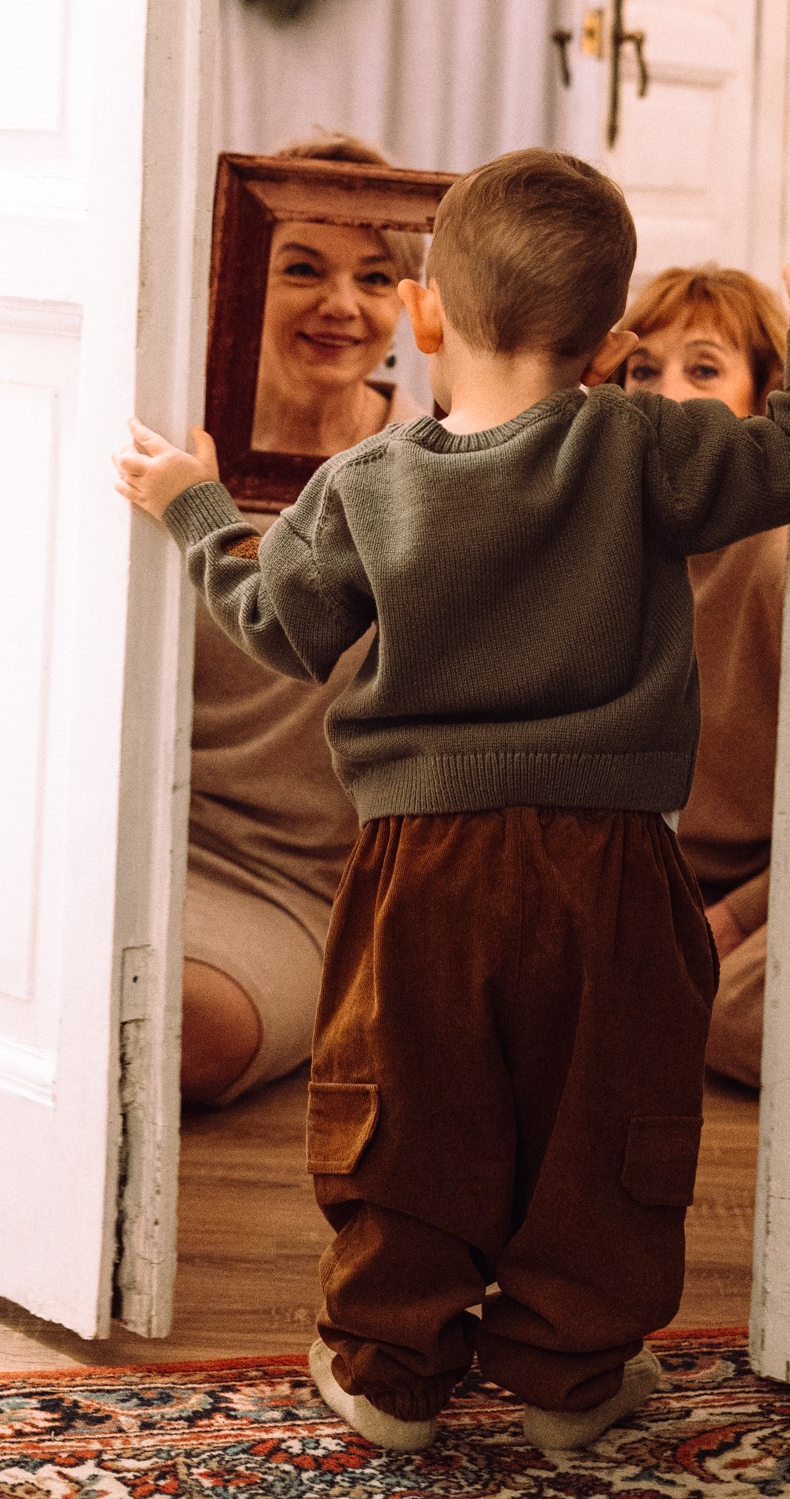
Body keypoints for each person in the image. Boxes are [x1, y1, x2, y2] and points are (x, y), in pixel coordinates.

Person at [114, 148, 790, 1453]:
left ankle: (389, 1368)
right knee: (605, 1109)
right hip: (615, 860)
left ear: (424, 314)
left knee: (411, 1104)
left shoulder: (366, 485)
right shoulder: (648, 445)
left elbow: (279, 627)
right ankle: (569, 1374)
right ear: (617, 342)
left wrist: (194, 510)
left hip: (426, 864)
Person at [183, 133, 426, 1105]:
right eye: (302, 269)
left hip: (301, 884)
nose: (341, 304)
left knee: (191, 1036)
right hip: (140, 831)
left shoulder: (436, 461)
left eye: (374, 276)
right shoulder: (182, 443)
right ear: (239, 275)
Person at [621, 265, 788, 1089]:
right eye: (643, 371)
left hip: (778, 884)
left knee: (727, 1020)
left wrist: (732, 918)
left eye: (704, 369)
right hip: (648, 877)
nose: (665, 395)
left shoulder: (783, 561)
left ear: (761, 399)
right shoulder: (605, 535)